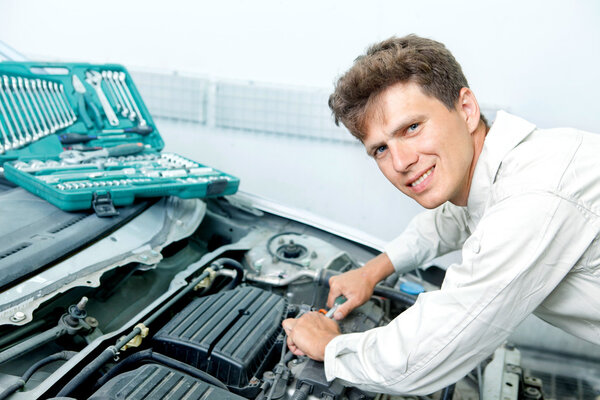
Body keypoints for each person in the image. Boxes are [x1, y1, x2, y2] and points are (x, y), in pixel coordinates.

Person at [281, 34, 600, 395]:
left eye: (412, 128)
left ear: (466, 109)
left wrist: (330, 348)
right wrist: (372, 271)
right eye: (381, 149)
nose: (401, 163)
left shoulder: (534, 194)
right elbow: (450, 222)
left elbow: (435, 347)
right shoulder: (498, 168)